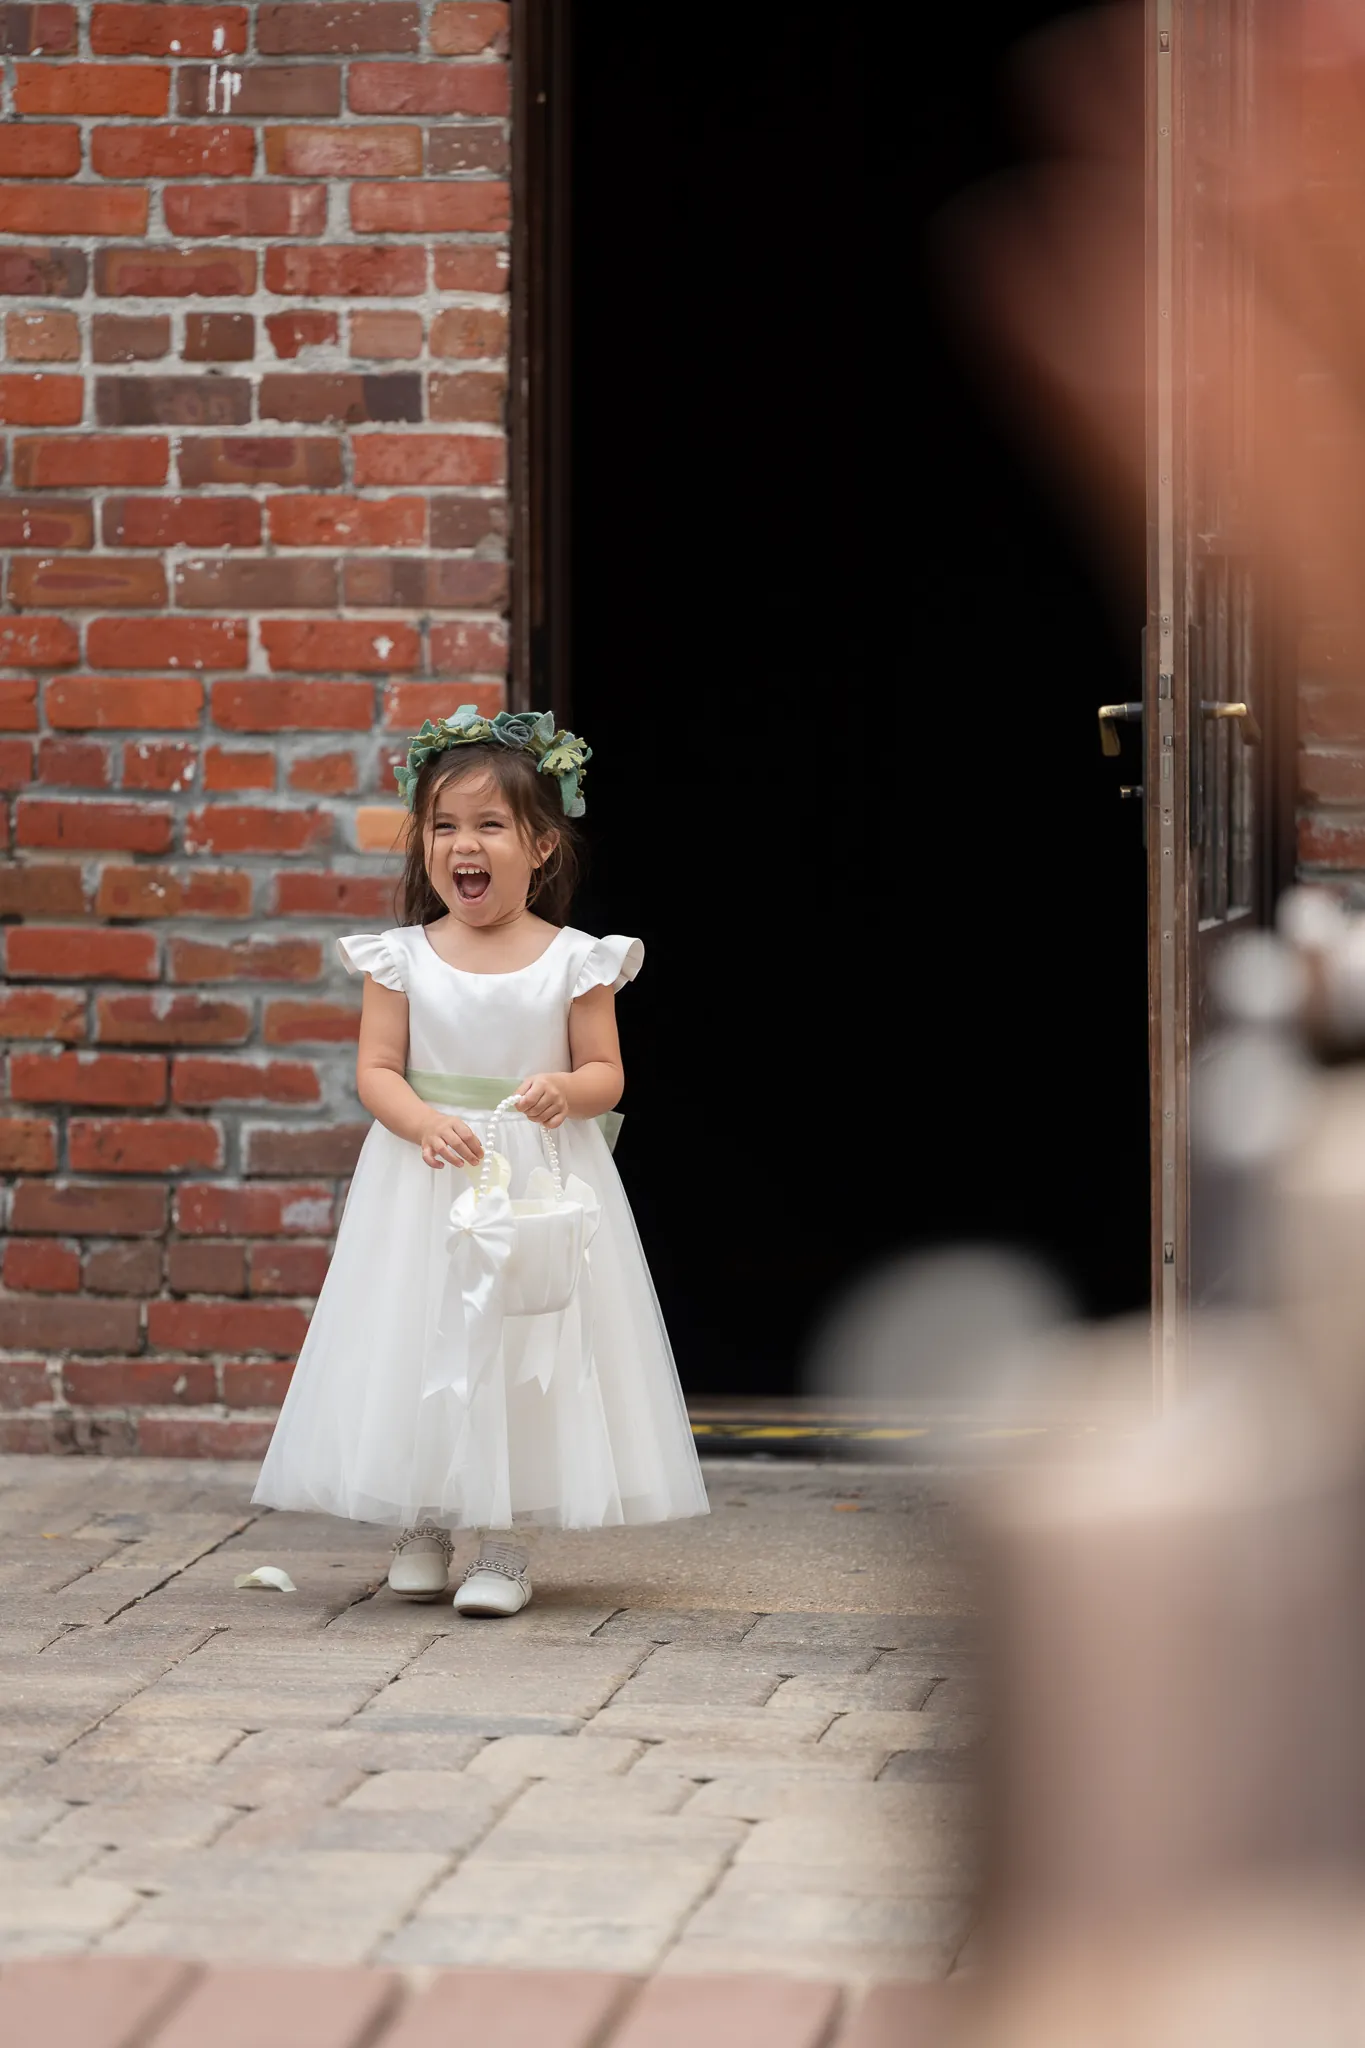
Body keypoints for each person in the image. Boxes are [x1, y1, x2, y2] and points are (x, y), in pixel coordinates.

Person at [252, 707, 709, 1615]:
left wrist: (563, 1093)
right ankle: (422, 1521)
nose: (465, 844)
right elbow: (377, 1070)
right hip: (424, 1182)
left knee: (522, 1347)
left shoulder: (577, 962)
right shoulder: (403, 959)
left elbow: (606, 1076)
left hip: (533, 1182)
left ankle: (506, 1540)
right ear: (422, 841)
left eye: (490, 826)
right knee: (420, 1337)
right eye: (445, 826)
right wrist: (420, 1122)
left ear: (539, 846)